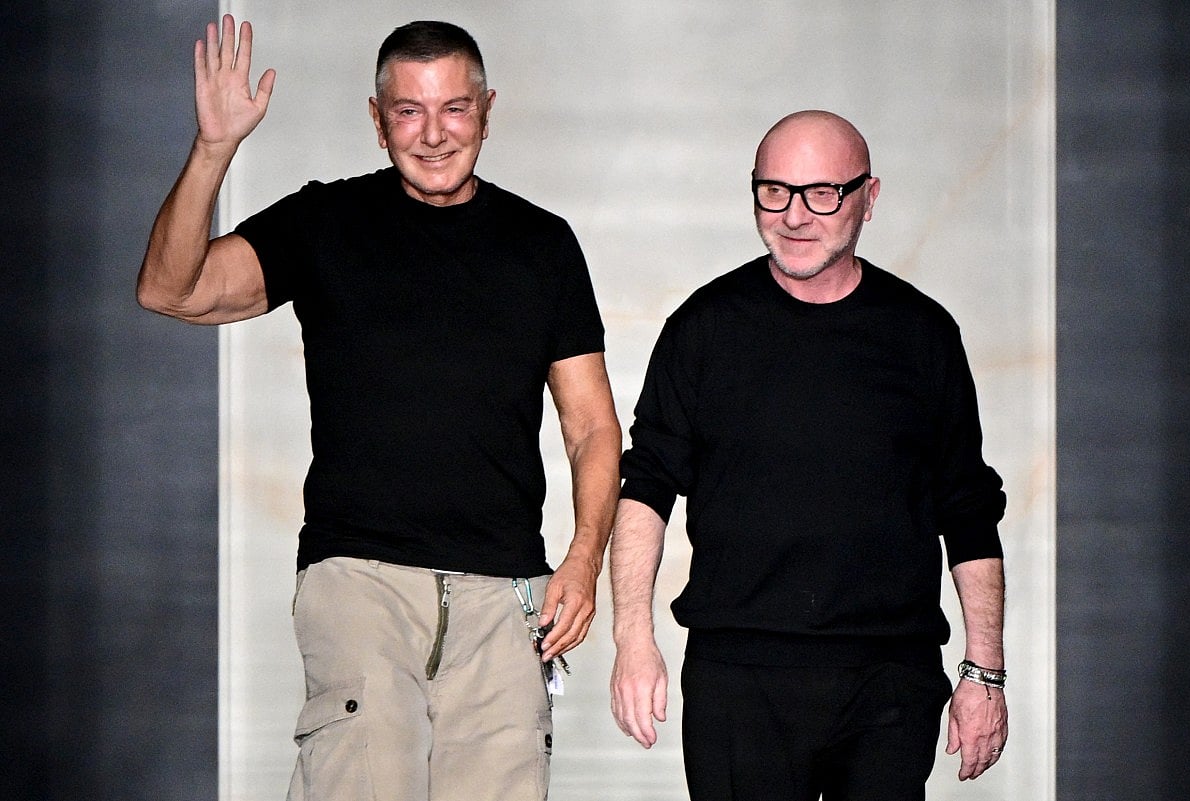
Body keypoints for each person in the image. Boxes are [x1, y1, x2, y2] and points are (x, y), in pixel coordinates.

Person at [137, 16, 621, 801]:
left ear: (488, 109)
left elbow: (592, 424)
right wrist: (214, 148)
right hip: (359, 577)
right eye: (408, 111)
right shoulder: (324, 222)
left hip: (503, 597)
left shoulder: (543, 245)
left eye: (454, 108)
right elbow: (171, 287)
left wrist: (584, 557)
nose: (433, 134)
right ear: (376, 118)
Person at [608, 110, 1008, 800]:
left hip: (889, 674)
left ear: (869, 198)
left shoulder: (921, 335)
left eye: (823, 192)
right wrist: (632, 640)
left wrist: (985, 671)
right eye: (774, 190)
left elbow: (968, 507)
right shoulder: (704, 329)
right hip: (741, 675)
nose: (794, 214)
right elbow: (646, 485)